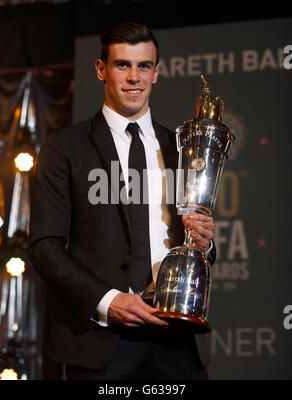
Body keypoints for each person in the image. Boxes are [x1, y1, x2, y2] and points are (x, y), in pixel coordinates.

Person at [29, 22, 216, 380]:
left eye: (144, 66)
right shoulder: (65, 148)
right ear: (101, 70)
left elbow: (199, 245)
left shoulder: (181, 148)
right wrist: (108, 301)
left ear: (157, 73)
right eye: (122, 65)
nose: (134, 77)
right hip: (102, 342)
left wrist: (205, 246)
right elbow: (43, 247)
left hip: (178, 340)